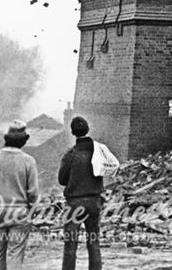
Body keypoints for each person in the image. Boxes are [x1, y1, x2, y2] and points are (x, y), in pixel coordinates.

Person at [0, 120, 39, 270]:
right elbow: (33, 193)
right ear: (23, 141)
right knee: (15, 253)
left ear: (6, 138)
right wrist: (31, 212)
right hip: (20, 212)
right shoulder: (28, 161)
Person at [58, 115, 104, 270]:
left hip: (74, 204)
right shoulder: (98, 152)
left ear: (73, 132)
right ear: (88, 130)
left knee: (70, 245)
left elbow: (62, 180)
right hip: (94, 201)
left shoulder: (70, 155)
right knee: (94, 242)